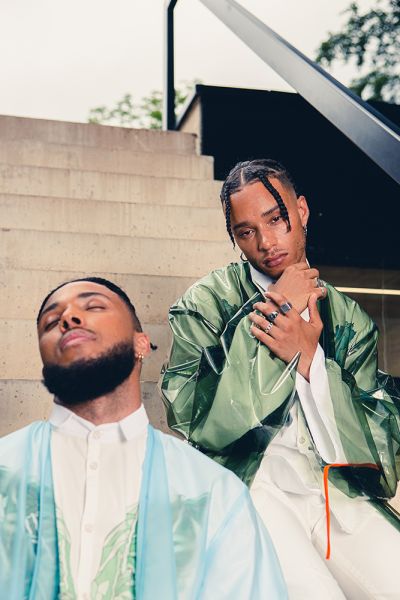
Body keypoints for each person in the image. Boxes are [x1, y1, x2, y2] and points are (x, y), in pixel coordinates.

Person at [161, 159, 400, 599]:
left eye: (276, 220)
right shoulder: (205, 303)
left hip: (333, 490)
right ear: (234, 237)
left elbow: (381, 441)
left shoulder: (349, 319)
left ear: (302, 211)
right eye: (246, 231)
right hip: (252, 485)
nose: (266, 242)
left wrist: (310, 359)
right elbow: (195, 420)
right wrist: (273, 313)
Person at [0, 276, 287, 599]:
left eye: (93, 306)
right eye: (51, 322)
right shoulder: (6, 470)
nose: (68, 317)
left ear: (141, 343)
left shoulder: (211, 493)